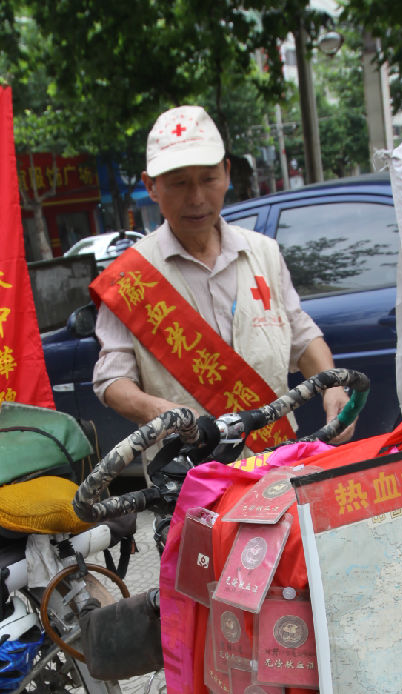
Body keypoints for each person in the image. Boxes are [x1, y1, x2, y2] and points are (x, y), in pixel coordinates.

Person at [92, 104, 352, 444]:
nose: (197, 198)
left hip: (274, 460)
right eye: (179, 183)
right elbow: (111, 379)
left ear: (227, 173)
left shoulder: (264, 253)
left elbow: (300, 336)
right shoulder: (130, 279)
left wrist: (332, 388)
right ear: (151, 186)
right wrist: (160, 412)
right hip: (189, 474)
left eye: (208, 179)